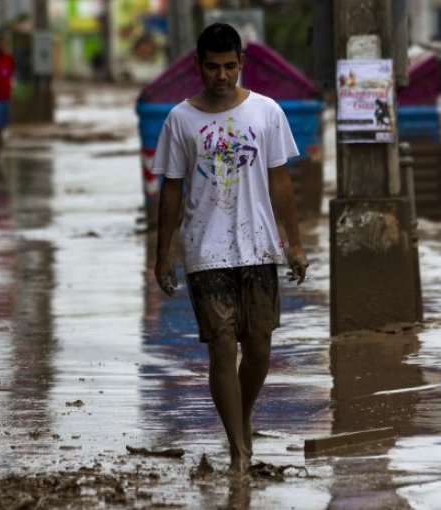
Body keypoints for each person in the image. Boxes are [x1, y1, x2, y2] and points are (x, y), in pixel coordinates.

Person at [151, 23, 308, 477]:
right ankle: (239, 450)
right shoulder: (180, 120)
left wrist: (293, 245)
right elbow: (172, 191)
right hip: (205, 250)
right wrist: (164, 255)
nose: (222, 75)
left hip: (259, 246)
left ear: (242, 63)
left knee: (258, 348)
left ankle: (242, 420)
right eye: (213, 67)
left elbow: (281, 183)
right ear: (198, 65)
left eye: (230, 66)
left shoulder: (267, 112)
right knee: (222, 346)